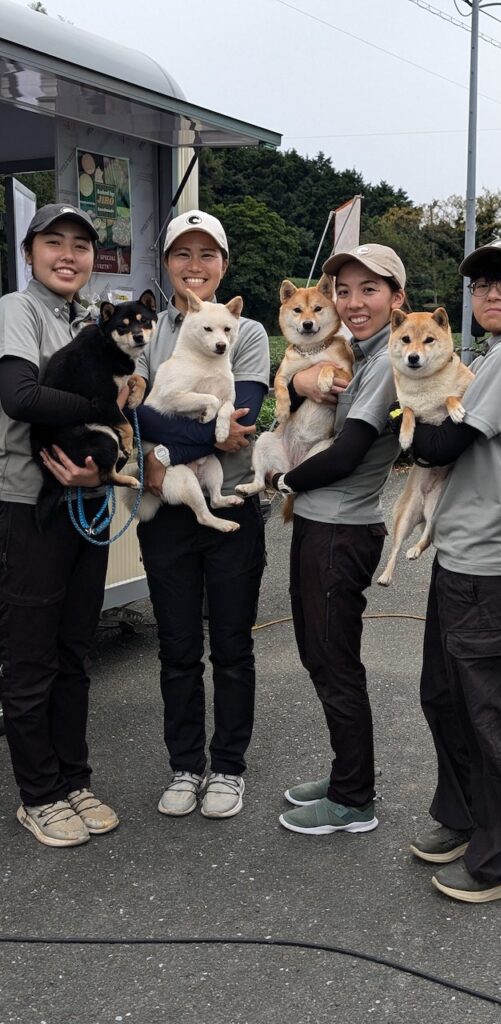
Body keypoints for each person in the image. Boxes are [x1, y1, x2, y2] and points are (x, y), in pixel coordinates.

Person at [408, 238, 501, 902]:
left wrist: (406, 409)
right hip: (464, 556)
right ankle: (468, 819)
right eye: (481, 284)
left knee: (491, 713)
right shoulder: (498, 354)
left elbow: (440, 442)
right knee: (446, 698)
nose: (492, 293)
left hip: (492, 568)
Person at [135, 209, 269, 820]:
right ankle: (186, 765)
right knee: (177, 646)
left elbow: (238, 422)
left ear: (223, 263)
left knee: (234, 646)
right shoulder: (141, 331)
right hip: (164, 515)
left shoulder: (247, 332)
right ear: (167, 263)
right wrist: (167, 448)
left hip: (233, 506)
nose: (195, 266)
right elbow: (131, 416)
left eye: (207, 254)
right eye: (183, 254)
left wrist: (164, 450)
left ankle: (230, 767)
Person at [0, 203, 122, 847]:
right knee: (32, 657)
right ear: (30, 253)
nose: (68, 255)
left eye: (81, 245)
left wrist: (104, 470)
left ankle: (74, 779)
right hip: (28, 507)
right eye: (54, 243)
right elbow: (20, 398)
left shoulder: (88, 322)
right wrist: (104, 406)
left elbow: (122, 424)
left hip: (86, 506)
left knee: (76, 651)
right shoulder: (15, 312)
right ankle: (39, 794)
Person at [273, 243, 406, 836]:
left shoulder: (385, 365)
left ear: (396, 299)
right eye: (344, 291)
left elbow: (350, 452)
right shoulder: (360, 353)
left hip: (341, 532)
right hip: (319, 525)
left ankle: (355, 799)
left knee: (335, 663)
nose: (354, 302)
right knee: (320, 657)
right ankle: (346, 773)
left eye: (370, 290)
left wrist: (281, 480)